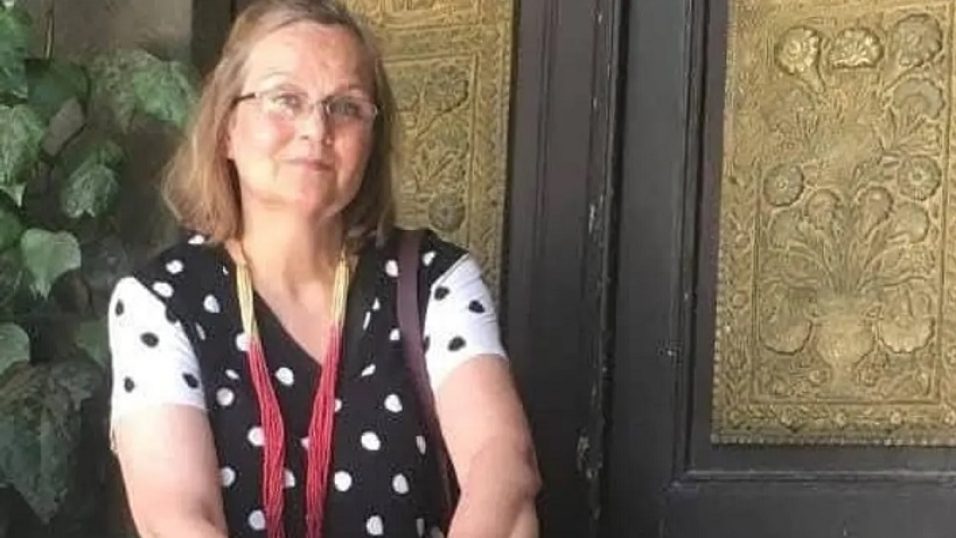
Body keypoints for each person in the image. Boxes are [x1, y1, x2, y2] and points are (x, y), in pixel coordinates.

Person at [106, 1, 540, 536]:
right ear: (226, 129)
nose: (316, 127)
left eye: (346, 107)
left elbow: (502, 466)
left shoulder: (432, 282)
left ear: (371, 141)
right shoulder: (162, 300)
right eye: (285, 99)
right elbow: (175, 517)